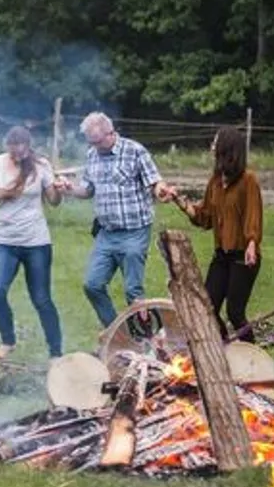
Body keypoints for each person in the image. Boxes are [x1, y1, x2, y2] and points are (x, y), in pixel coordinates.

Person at [56, 112, 175, 329]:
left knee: (133, 292)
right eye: (91, 142)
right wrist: (70, 189)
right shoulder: (93, 155)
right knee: (92, 285)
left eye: (97, 141)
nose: (94, 146)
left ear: (111, 133)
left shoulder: (135, 151)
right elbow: (88, 190)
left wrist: (162, 191)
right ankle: (117, 333)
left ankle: (147, 338)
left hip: (134, 231)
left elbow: (154, 182)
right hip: (106, 233)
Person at [0, 126, 64, 360]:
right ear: (7, 147)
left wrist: (59, 189)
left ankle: (56, 351)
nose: (17, 154)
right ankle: (8, 340)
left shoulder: (41, 166)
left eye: (21, 150)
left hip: (36, 242)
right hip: (3, 240)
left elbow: (54, 201)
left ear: (28, 147)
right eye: (12, 150)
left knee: (41, 298)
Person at [175, 126, 263, 342]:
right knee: (208, 308)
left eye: (215, 142)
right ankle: (224, 351)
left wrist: (252, 243)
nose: (211, 146)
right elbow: (205, 217)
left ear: (226, 148)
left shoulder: (248, 180)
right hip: (221, 256)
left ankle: (254, 357)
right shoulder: (215, 181)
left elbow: (254, 214)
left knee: (235, 313)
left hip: (243, 256)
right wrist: (180, 201)